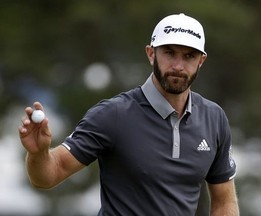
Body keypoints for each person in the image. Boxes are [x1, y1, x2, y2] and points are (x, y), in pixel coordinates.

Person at [19, 13, 239, 216]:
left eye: (189, 56)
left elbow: (224, 201)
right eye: (169, 53)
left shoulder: (214, 118)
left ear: (201, 61)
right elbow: (49, 175)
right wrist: (38, 154)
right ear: (151, 54)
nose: (178, 65)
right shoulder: (112, 115)